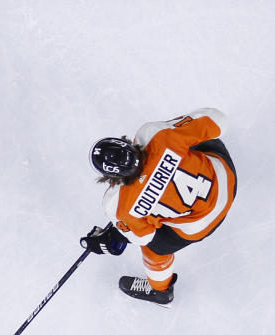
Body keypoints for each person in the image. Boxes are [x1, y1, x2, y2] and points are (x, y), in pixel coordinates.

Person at [79, 108, 237, 304]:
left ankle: (161, 291)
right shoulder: (154, 135)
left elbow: (143, 236)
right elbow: (219, 119)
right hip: (225, 179)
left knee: (154, 249)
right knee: (190, 138)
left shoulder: (117, 204)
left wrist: (120, 230)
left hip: (201, 225)